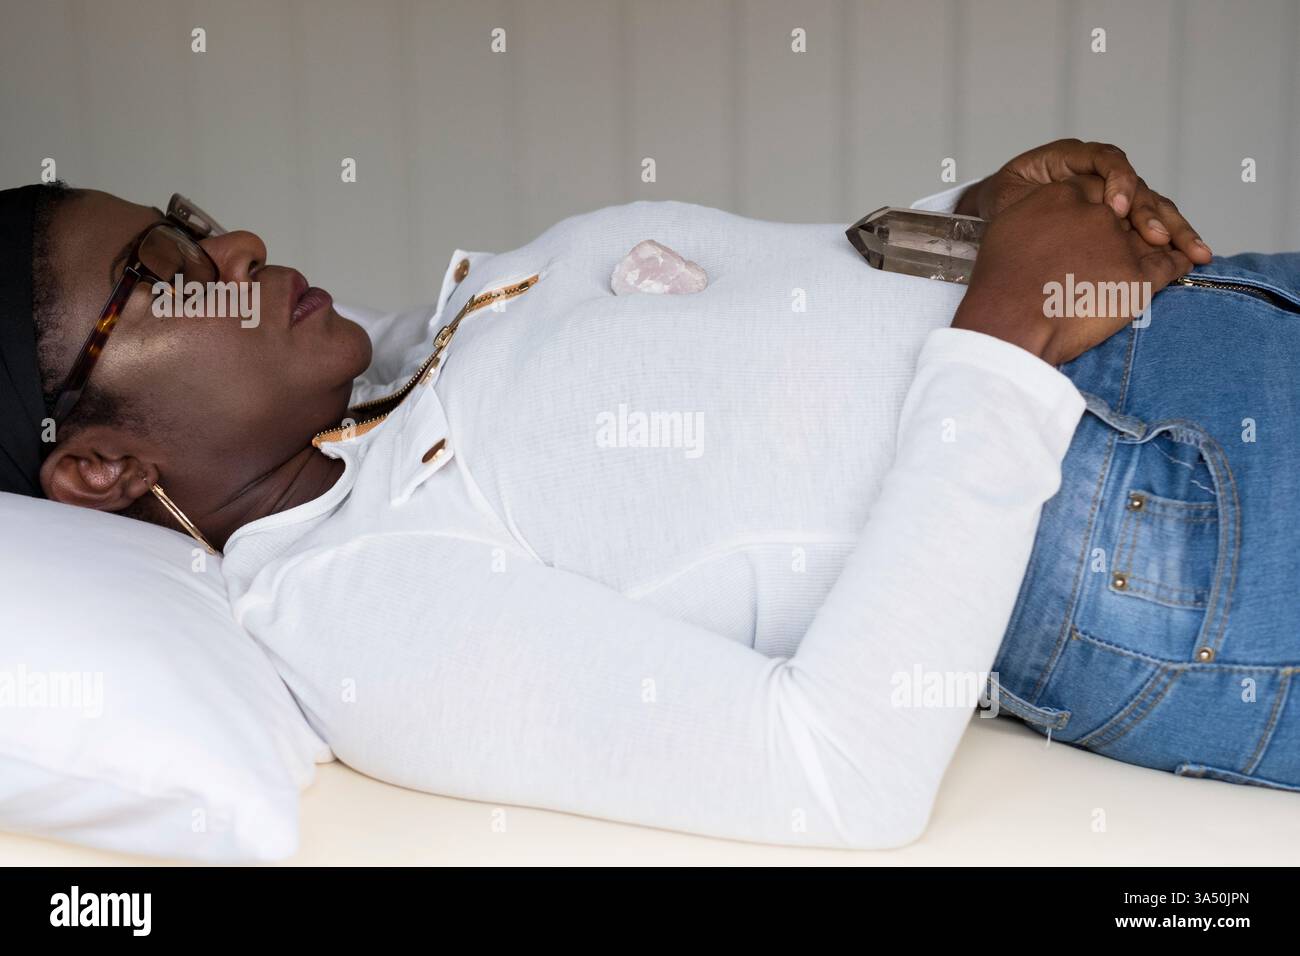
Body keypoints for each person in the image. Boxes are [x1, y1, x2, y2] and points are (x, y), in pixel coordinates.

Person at [1, 139, 1294, 850]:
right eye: (163, 268)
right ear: (102, 469)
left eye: (190, 216)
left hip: (1217, 327)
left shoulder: (409, 356)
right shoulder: (354, 603)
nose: (231, 247)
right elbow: (836, 771)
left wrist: (981, 218)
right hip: (1174, 528)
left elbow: (777, 390)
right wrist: (1011, 330)